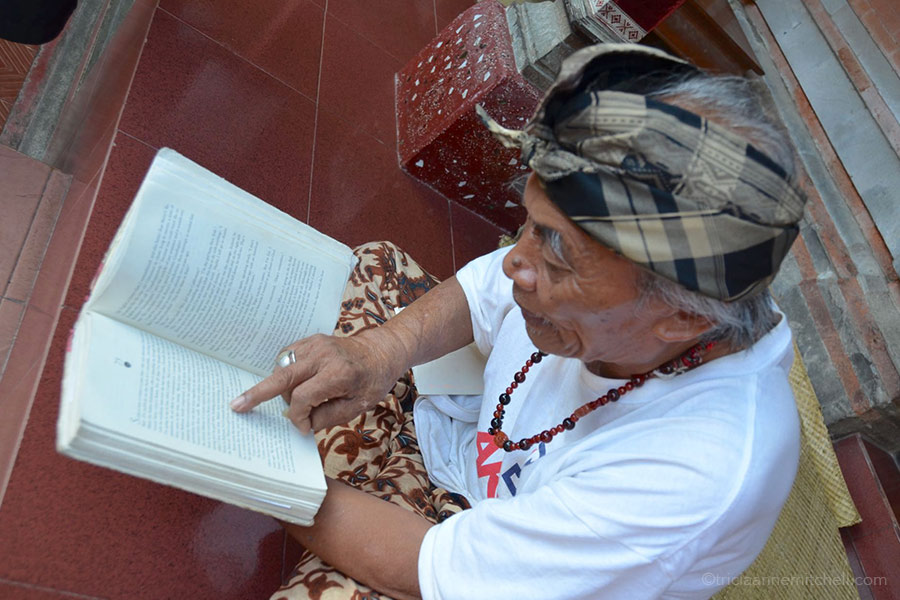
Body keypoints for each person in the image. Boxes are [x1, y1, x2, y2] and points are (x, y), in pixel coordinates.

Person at [230, 44, 806, 600]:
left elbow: (429, 568)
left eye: (556, 259)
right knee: (374, 270)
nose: (513, 261)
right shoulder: (653, 289)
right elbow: (484, 289)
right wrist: (381, 353)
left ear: (679, 316)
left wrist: (261, 474)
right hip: (465, 433)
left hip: (484, 555)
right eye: (529, 223)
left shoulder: (694, 474)